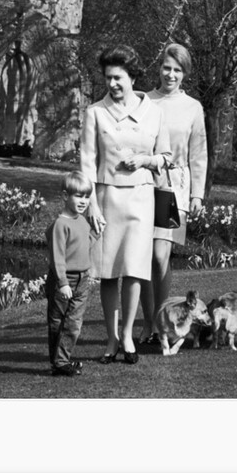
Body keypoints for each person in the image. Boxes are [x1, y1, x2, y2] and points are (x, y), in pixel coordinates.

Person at [80, 45, 171, 365]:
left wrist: (146, 160)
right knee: (107, 273)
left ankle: (129, 336)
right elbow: (87, 164)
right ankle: (111, 340)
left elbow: (167, 157)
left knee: (133, 271)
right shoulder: (95, 112)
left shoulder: (154, 112)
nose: (112, 84)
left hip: (141, 200)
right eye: (108, 78)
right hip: (106, 200)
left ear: (132, 76)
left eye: (118, 77)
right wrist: (90, 204)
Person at [138, 43, 208, 344]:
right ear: (160, 68)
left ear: (184, 73)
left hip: (173, 189)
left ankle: (161, 321)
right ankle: (148, 324)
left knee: (160, 256)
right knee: (141, 257)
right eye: (167, 67)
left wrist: (197, 195)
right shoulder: (143, 100)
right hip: (142, 185)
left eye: (177, 70)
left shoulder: (193, 107)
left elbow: (199, 154)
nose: (171, 74)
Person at [45, 171, 96, 377]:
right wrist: (63, 282)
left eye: (86, 196)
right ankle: (60, 362)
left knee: (74, 322)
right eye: (78, 196)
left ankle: (61, 361)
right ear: (65, 196)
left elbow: (85, 245)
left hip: (82, 279)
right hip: (64, 280)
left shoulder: (82, 221)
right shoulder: (61, 224)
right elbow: (57, 257)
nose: (83, 201)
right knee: (58, 321)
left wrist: (96, 233)